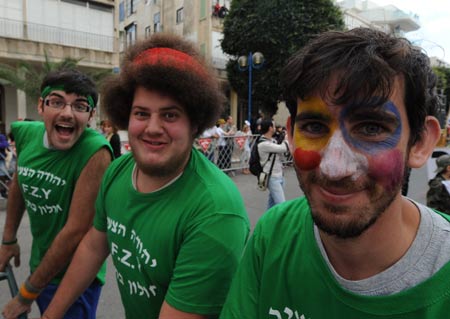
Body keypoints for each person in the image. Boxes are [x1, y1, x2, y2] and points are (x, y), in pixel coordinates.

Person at [220, 28, 449, 318]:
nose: (334, 168)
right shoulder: (273, 234)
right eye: (314, 127)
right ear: (290, 135)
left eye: (371, 128)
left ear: (419, 142)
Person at [42, 33, 249, 319]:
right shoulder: (118, 171)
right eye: (141, 113)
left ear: (195, 123)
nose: (152, 127)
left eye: (170, 115)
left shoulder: (215, 212)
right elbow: (93, 246)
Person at [0, 69, 113, 319]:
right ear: (41, 106)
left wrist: (25, 294)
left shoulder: (96, 152)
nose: (67, 113)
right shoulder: (26, 133)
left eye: (80, 106)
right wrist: (9, 240)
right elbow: (21, 179)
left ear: (91, 116)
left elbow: (75, 231)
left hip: (74, 278)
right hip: (40, 266)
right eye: (57, 101)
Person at [257, 120, 289, 209]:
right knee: (282, 205)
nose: (276, 128)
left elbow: (281, 155)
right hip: (272, 177)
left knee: (272, 205)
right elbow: (283, 148)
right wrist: (286, 139)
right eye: (274, 126)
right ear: (270, 128)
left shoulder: (272, 141)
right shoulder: (263, 144)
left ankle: (266, 221)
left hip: (279, 175)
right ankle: (282, 222)